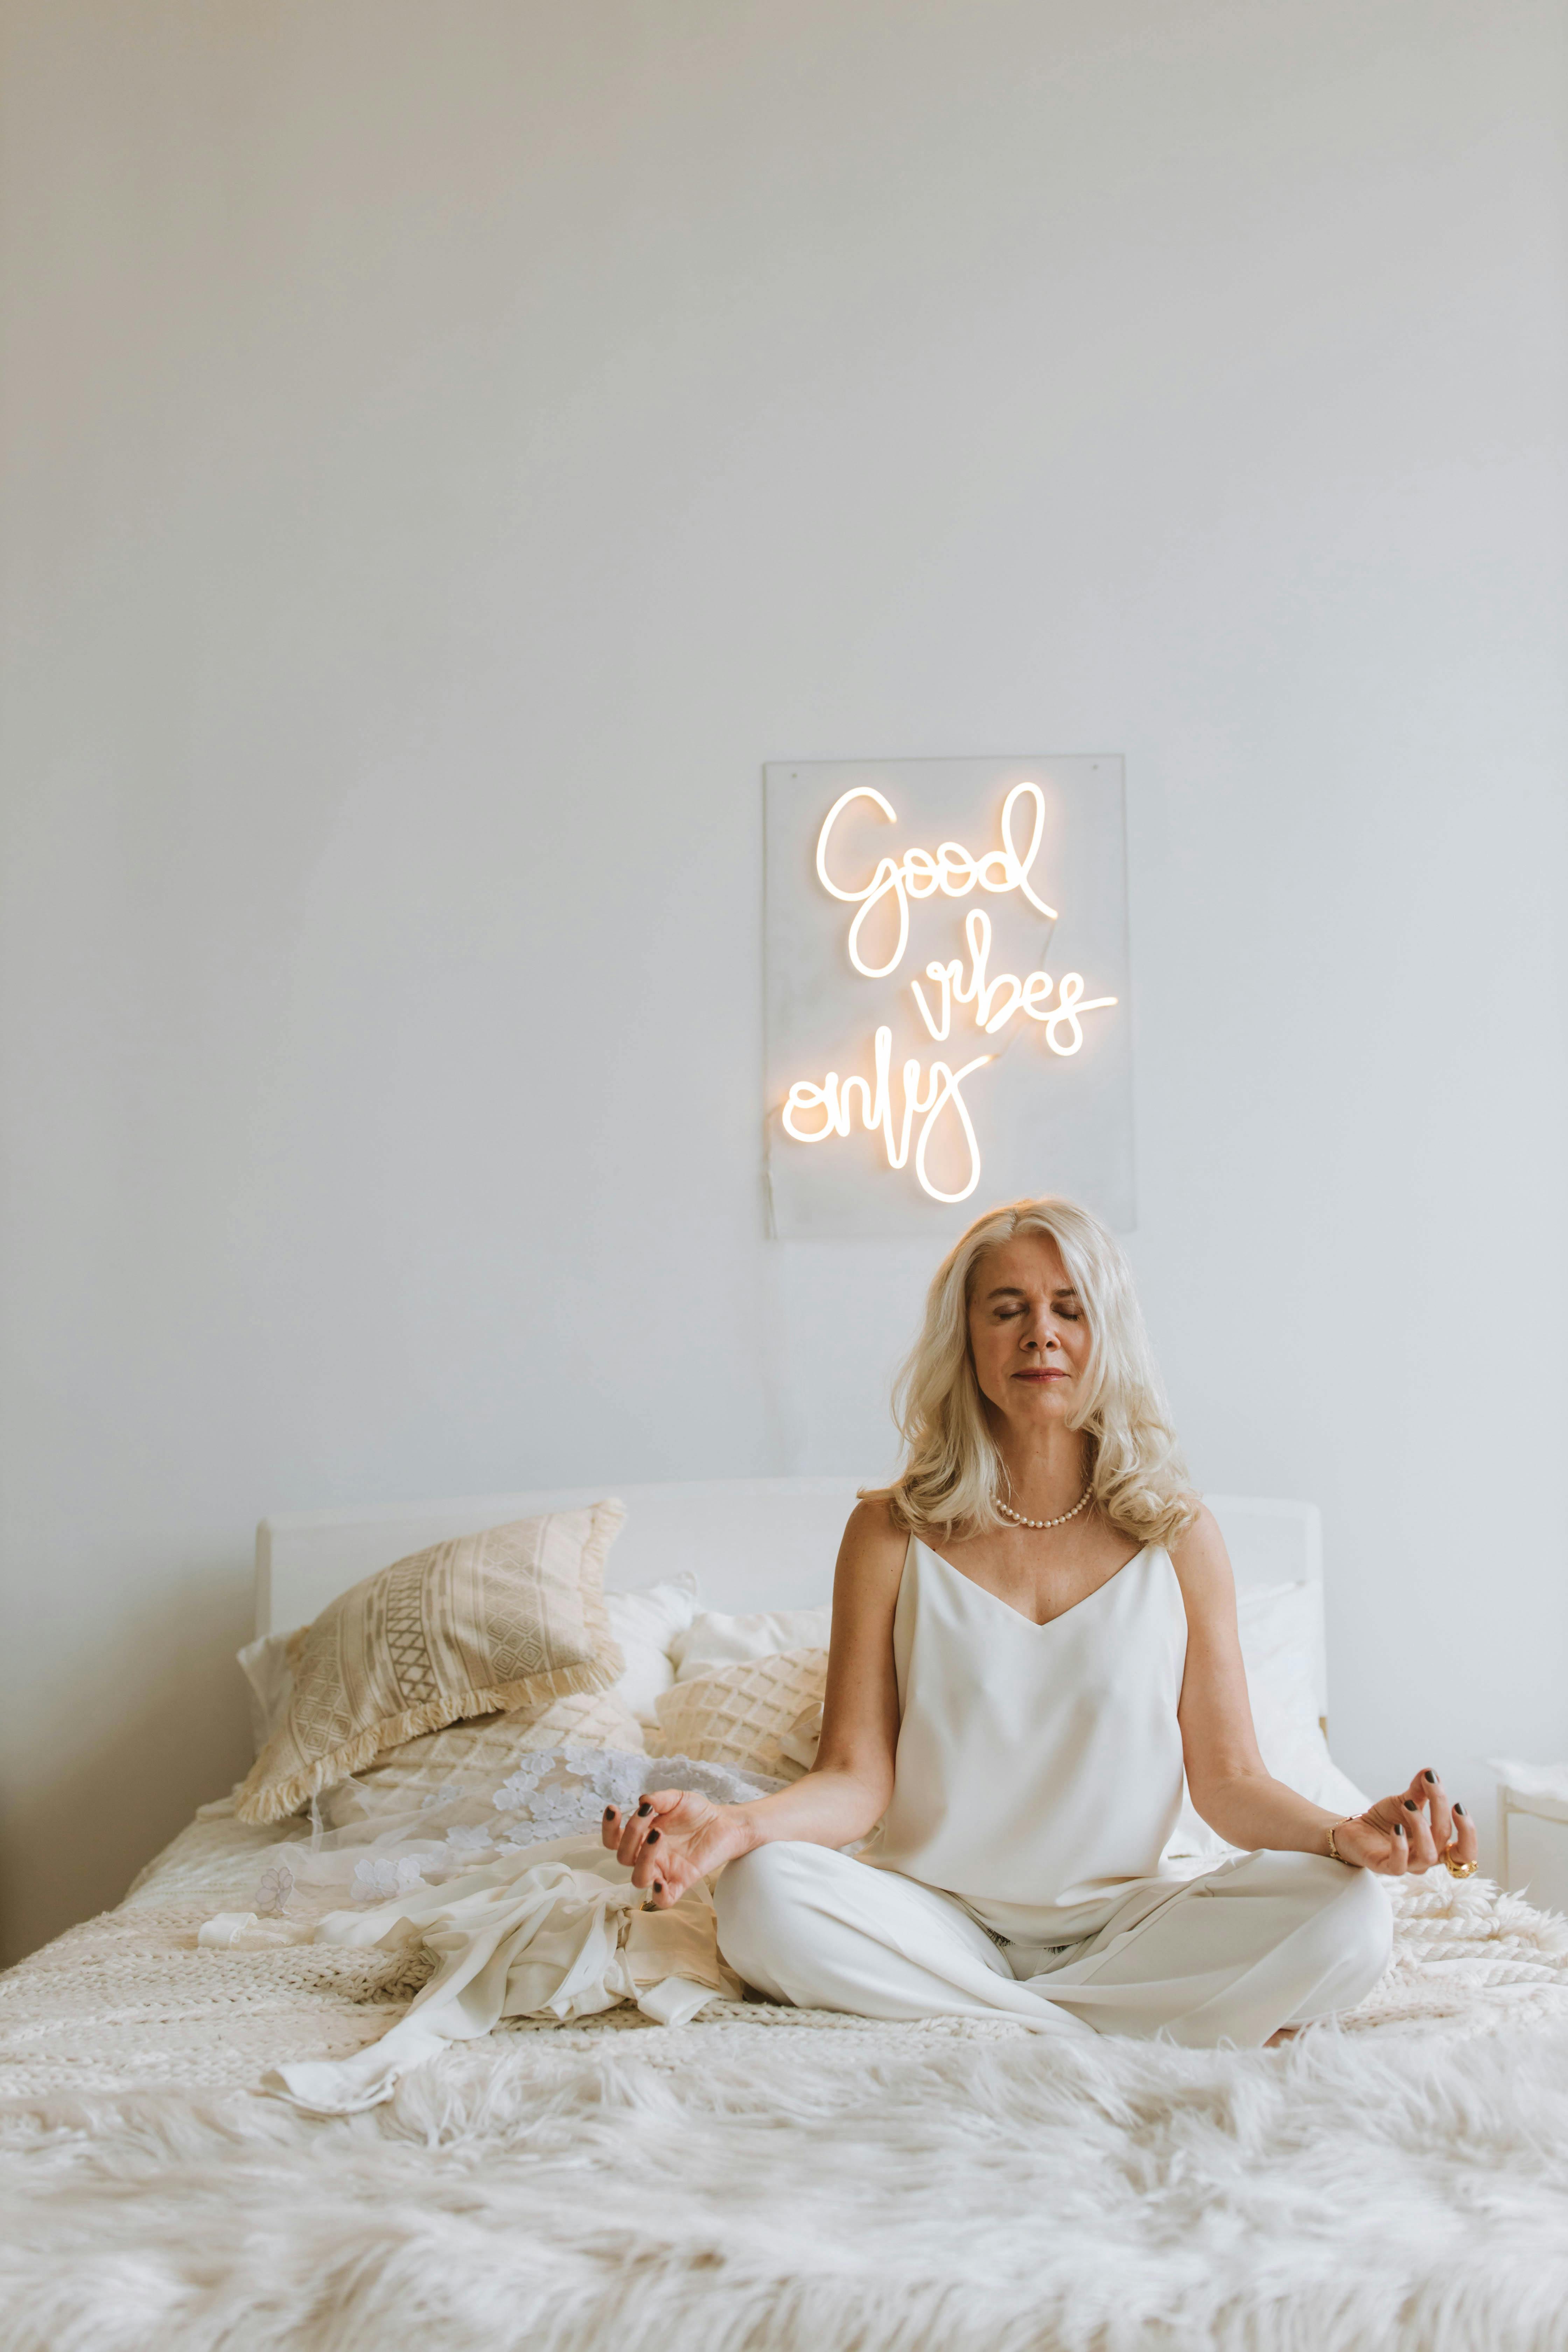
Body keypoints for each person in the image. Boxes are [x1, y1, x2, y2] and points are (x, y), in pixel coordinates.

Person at [602, 1196, 1477, 2046]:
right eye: (1007, 1309)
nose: (1040, 1334)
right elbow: (854, 1778)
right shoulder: (886, 1532)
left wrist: (1339, 1835)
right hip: (931, 1915)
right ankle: (1098, 2026)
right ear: (966, 1338)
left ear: (1107, 1334)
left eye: (1069, 1308)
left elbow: (1229, 1780)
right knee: (762, 1897)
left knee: (1351, 1920)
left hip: (1131, 1925)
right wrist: (739, 1827)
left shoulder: (1179, 1534)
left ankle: (991, 2017)